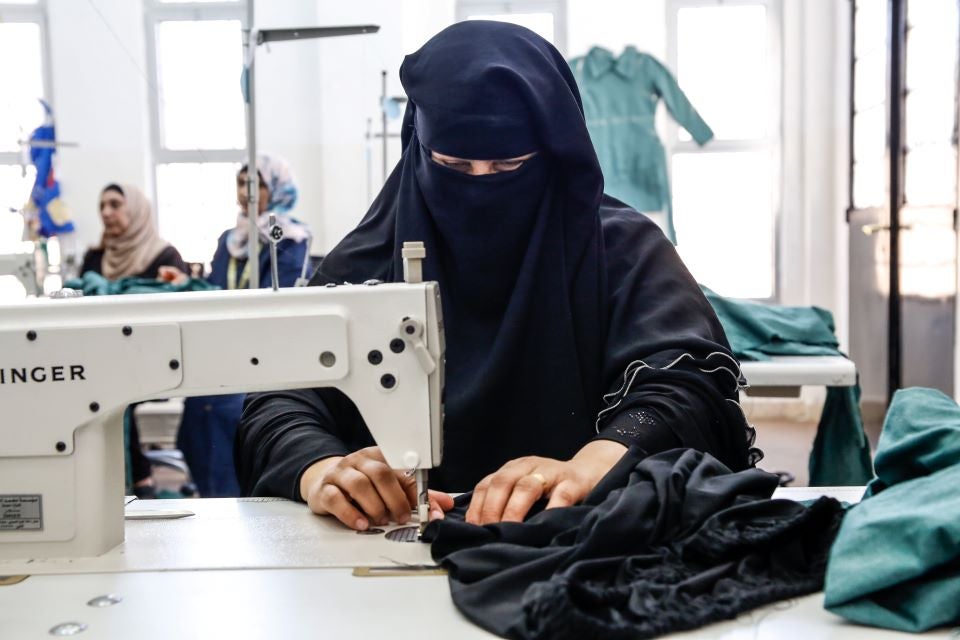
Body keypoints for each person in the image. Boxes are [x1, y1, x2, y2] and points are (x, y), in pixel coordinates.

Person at [236, 21, 759, 530]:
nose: (481, 188)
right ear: (419, 152)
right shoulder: (369, 261)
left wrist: (594, 461)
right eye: (454, 167)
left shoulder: (622, 249)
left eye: (509, 168)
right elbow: (279, 397)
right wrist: (321, 469)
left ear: (552, 154)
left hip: (579, 536)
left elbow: (688, 385)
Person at [163, 154, 311, 497]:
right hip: (219, 354)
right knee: (198, 419)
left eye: (255, 183)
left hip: (259, 356)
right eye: (240, 183)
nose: (246, 192)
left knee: (237, 420)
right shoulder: (228, 241)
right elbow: (215, 290)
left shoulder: (290, 238)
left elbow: (282, 296)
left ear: (274, 187)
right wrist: (185, 283)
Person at [80, 183, 189, 497]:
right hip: (99, 359)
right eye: (102, 206)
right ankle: (122, 482)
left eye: (115, 204)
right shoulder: (95, 257)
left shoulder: (164, 256)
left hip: (150, 359)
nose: (106, 213)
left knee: (112, 394)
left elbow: (175, 311)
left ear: (136, 209)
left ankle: (135, 480)